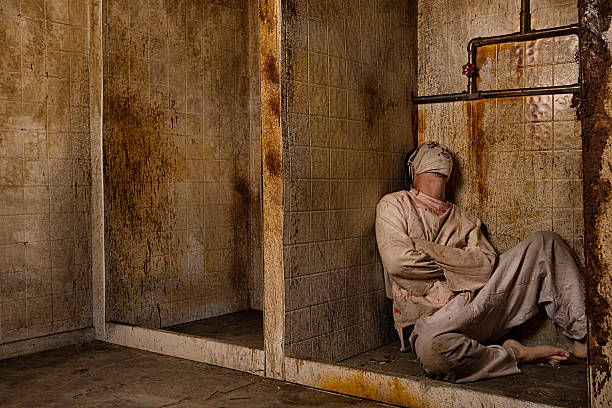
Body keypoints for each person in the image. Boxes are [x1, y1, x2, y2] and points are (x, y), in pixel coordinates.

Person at [375, 141, 587, 383]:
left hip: (480, 301)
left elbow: (485, 266)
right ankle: (514, 354)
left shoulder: (465, 219)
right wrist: (462, 265)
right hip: (434, 322)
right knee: (434, 354)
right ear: (412, 168)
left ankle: (582, 337)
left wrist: (424, 247)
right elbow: (398, 263)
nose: (440, 159)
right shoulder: (394, 204)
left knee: (545, 243)